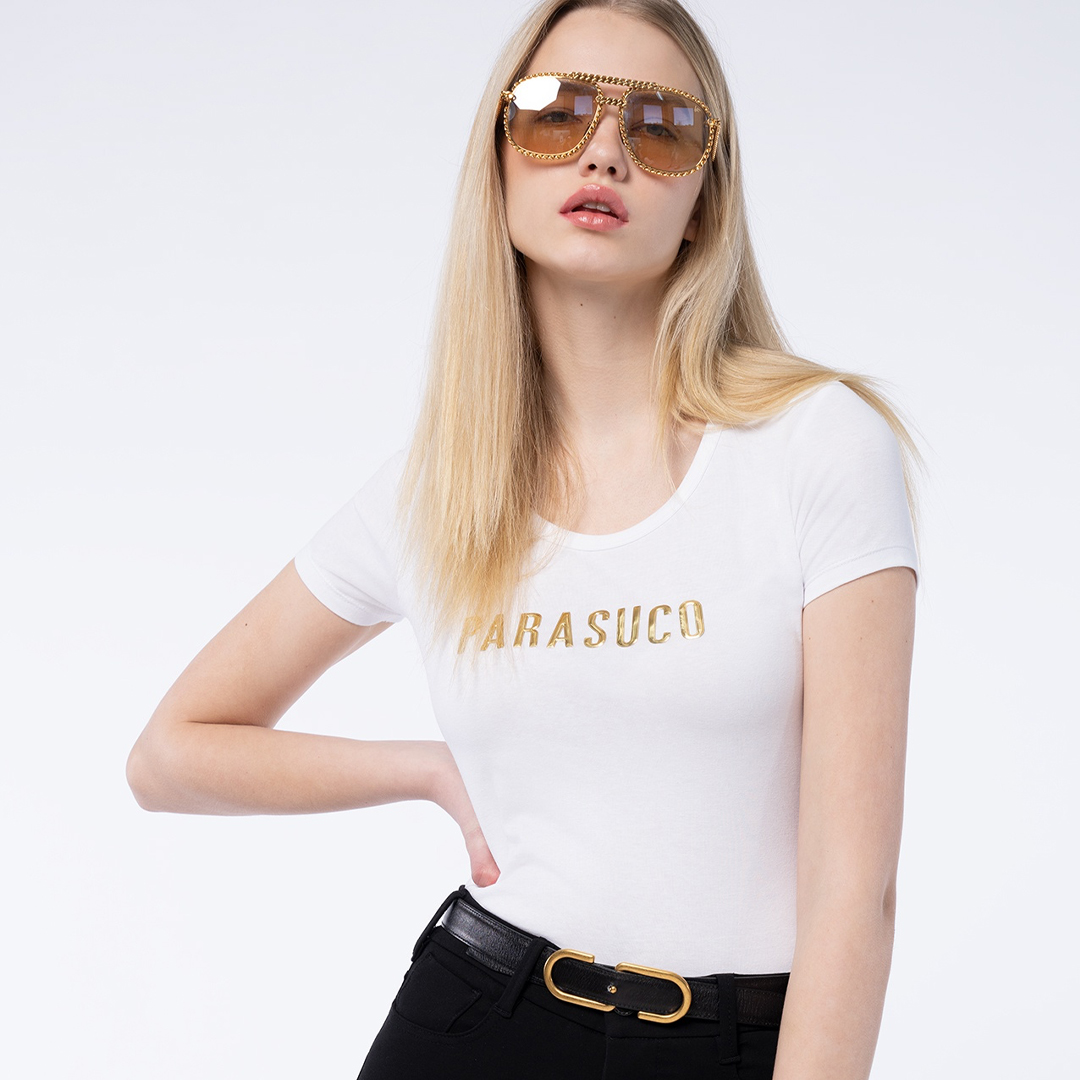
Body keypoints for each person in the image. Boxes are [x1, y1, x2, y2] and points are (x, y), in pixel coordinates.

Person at [127, 1, 919, 1077]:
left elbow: (855, 895)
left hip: (735, 1043)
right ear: (496, 164)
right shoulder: (435, 491)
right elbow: (169, 754)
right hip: (476, 1016)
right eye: (555, 111)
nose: (604, 150)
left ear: (705, 200)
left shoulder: (815, 445)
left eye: (663, 126)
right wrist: (425, 769)